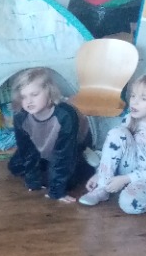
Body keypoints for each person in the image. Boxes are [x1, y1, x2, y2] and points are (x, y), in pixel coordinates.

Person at [79, 72, 146, 213]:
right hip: (133, 167)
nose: (134, 102)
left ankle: (143, 191)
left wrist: (126, 179)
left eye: (143, 98)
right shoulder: (131, 117)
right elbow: (114, 147)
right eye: (133, 96)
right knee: (116, 133)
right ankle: (102, 188)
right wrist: (101, 173)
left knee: (129, 204)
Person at [7, 67, 93, 203]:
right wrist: (33, 181)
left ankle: (85, 160)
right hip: (40, 150)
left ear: (49, 91)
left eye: (34, 94)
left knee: (67, 182)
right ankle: (46, 170)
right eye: (23, 97)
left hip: (65, 150)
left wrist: (57, 192)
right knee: (14, 166)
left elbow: (64, 155)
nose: (29, 101)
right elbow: (27, 150)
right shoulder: (20, 117)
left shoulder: (65, 114)